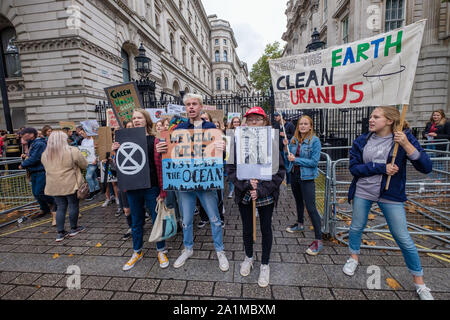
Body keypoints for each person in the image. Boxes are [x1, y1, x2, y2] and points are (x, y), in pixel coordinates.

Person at [344, 106, 434, 300]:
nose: (371, 120)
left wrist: (407, 145)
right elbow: (354, 168)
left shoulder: (403, 139)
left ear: (390, 120)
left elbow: (426, 166)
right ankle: (353, 257)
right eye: (371, 116)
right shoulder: (361, 140)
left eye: (376, 117)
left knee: (402, 237)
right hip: (363, 191)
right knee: (357, 227)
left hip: (390, 194)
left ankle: (420, 282)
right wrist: (380, 168)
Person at [156, 93, 230, 272]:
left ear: (201, 106)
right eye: (188, 104)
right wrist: (161, 148)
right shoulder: (179, 128)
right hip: (185, 183)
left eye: (194, 104)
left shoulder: (211, 127)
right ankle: (188, 248)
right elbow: (170, 154)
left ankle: (220, 251)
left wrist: (223, 149)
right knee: (187, 220)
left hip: (205, 183)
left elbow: (223, 158)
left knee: (215, 219)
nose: (191, 107)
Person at [227, 106, 285, 287]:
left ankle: (265, 264)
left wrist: (260, 189)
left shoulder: (272, 141)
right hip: (244, 193)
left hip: (265, 193)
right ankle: (249, 257)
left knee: (266, 229)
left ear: (265, 122)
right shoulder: (235, 141)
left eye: (257, 119)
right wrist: (245, 184)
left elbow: (279, 171)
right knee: (247, 229)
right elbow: (230, 169)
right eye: (250, 119)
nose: (253, 122)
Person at [112, 109, 169, 270]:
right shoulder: (124, 141)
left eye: (139, 117)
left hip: (151, 186)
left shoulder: (154, 140)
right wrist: (116, 152)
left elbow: (162, 165)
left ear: (146, 120)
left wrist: (162, 191)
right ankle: (137, 251)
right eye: (133, 118)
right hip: (132, 188)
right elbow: (119, 167)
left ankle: (161, 250)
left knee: (157, 220)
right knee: (136, 222)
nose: (136, 120)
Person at [284, 115, 323, 255]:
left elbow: (314, 162)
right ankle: (300, 224)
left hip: (307, 177)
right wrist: (285, 148)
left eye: (306, 124)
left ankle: (318, 240)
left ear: (310, 126)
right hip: (294, 175)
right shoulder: (294, 140)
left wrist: (296, 160)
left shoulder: (315, 141)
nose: (303, 126)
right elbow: (288, 158)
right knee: (298, 202)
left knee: (311, 207)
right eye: (301, 124)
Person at [41, 131, 88, 241]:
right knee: (73, 204)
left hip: (54, 184)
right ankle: (74, 228)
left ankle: (60, 233)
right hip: (70, 182)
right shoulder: (72, 151)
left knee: (60, 207)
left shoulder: (45, 154)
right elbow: (84, 164)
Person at [18, 127, 56, 219]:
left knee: (39, 192)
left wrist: (23, 165)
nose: (22, 136)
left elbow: (36, 158)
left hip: (41, 171)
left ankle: (56, 202)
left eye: (24, 134)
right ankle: (44, 209)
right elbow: (32, 156)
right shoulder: (32, 143)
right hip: (34, 171)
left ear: (31, 134)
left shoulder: (39, 143)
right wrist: (26, 156)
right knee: (36, 193)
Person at [273, 111, 295, 186]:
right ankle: (279, 182)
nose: (275, 117)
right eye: (275, 115)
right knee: (279, 167)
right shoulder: (276, 125)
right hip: (278, 149)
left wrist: (286, 135)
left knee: (287, 166)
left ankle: (289, 182)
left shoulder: (290, 125)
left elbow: (294, 136)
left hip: (286, 150)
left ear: (282, 116)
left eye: (277, 115)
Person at [79, 128, 100, 200]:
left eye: (83, 133)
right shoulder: (83, 141)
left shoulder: (94, 140)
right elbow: (82, 151)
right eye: (81, 134)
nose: (82, 135)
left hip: (93, 161)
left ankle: (92, 192)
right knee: (93, 176)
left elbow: (98, 151)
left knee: (88, 177)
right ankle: (97, 189)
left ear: (87, 132)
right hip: (86, 161)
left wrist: (96, 159)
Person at [226, 117, 241, 198]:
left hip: (240, 155)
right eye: (234, 122)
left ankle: (239, 189)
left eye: (238, 122)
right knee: (231, 174)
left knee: (240, 173)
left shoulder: (242, 131)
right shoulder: (229, 132)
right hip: (231, 154)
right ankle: (231, 191)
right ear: (232, 123)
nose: (236, 123)